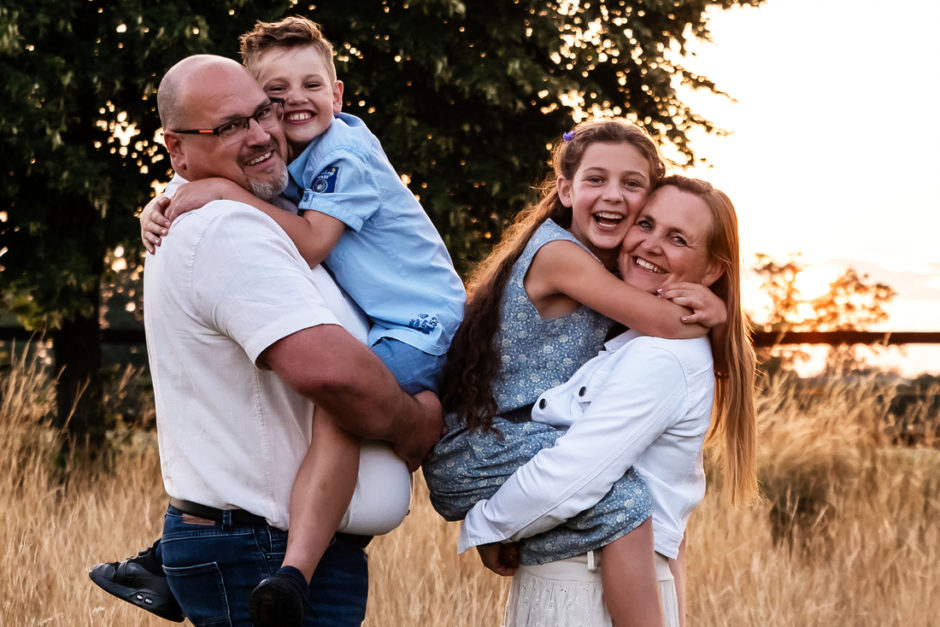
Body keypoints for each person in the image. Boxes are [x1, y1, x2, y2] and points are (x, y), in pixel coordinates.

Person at [101, 17, 465, 627]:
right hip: (260, 552)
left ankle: (177, 558)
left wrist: (195, 192)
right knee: (342, 417)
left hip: (254, 539)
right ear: (179, 148)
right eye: (237, 121)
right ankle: (288, 567)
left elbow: (241, 198)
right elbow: (332, 376)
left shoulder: (301, 174)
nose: (266, 128)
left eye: (259, 114)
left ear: (339, 93)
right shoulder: (229, 224)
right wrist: (412, 428)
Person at [423, 122, 729, 626]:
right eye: (596, 179)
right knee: (628, 502)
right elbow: (661, 320)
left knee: (629, 504)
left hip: (509, 441)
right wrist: (714, 317)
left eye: (632, 184)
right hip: (484, 445)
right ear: (565, 190)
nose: (614, 195)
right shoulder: (562, 255)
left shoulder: (604, 269)